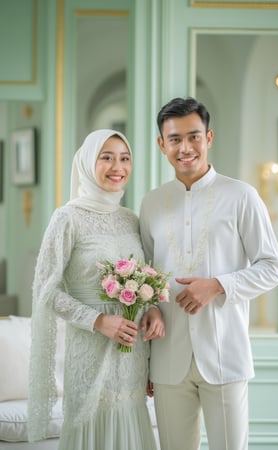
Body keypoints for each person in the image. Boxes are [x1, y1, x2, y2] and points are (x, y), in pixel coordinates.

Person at [139, 97, 278, 450]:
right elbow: (144, 274)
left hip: (224, 355)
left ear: (209, 137)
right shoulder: (151, 202)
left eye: (194, 136)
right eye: (175, 139)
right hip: (168, 359)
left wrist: (219, 285)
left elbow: (272, 267)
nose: (185, 148)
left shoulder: (242, 196)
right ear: (162, 144)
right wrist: (151, 311)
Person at [28, 129, 164, 450]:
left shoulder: (132, 219)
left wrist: (154, 308)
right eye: (107, 157)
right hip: (88, 352)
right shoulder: (67, 218)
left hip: (132, 355)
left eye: (124, 158)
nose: (117, 166)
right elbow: (44, 291)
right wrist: (98, 321)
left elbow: (146, 281)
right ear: (89, 163)